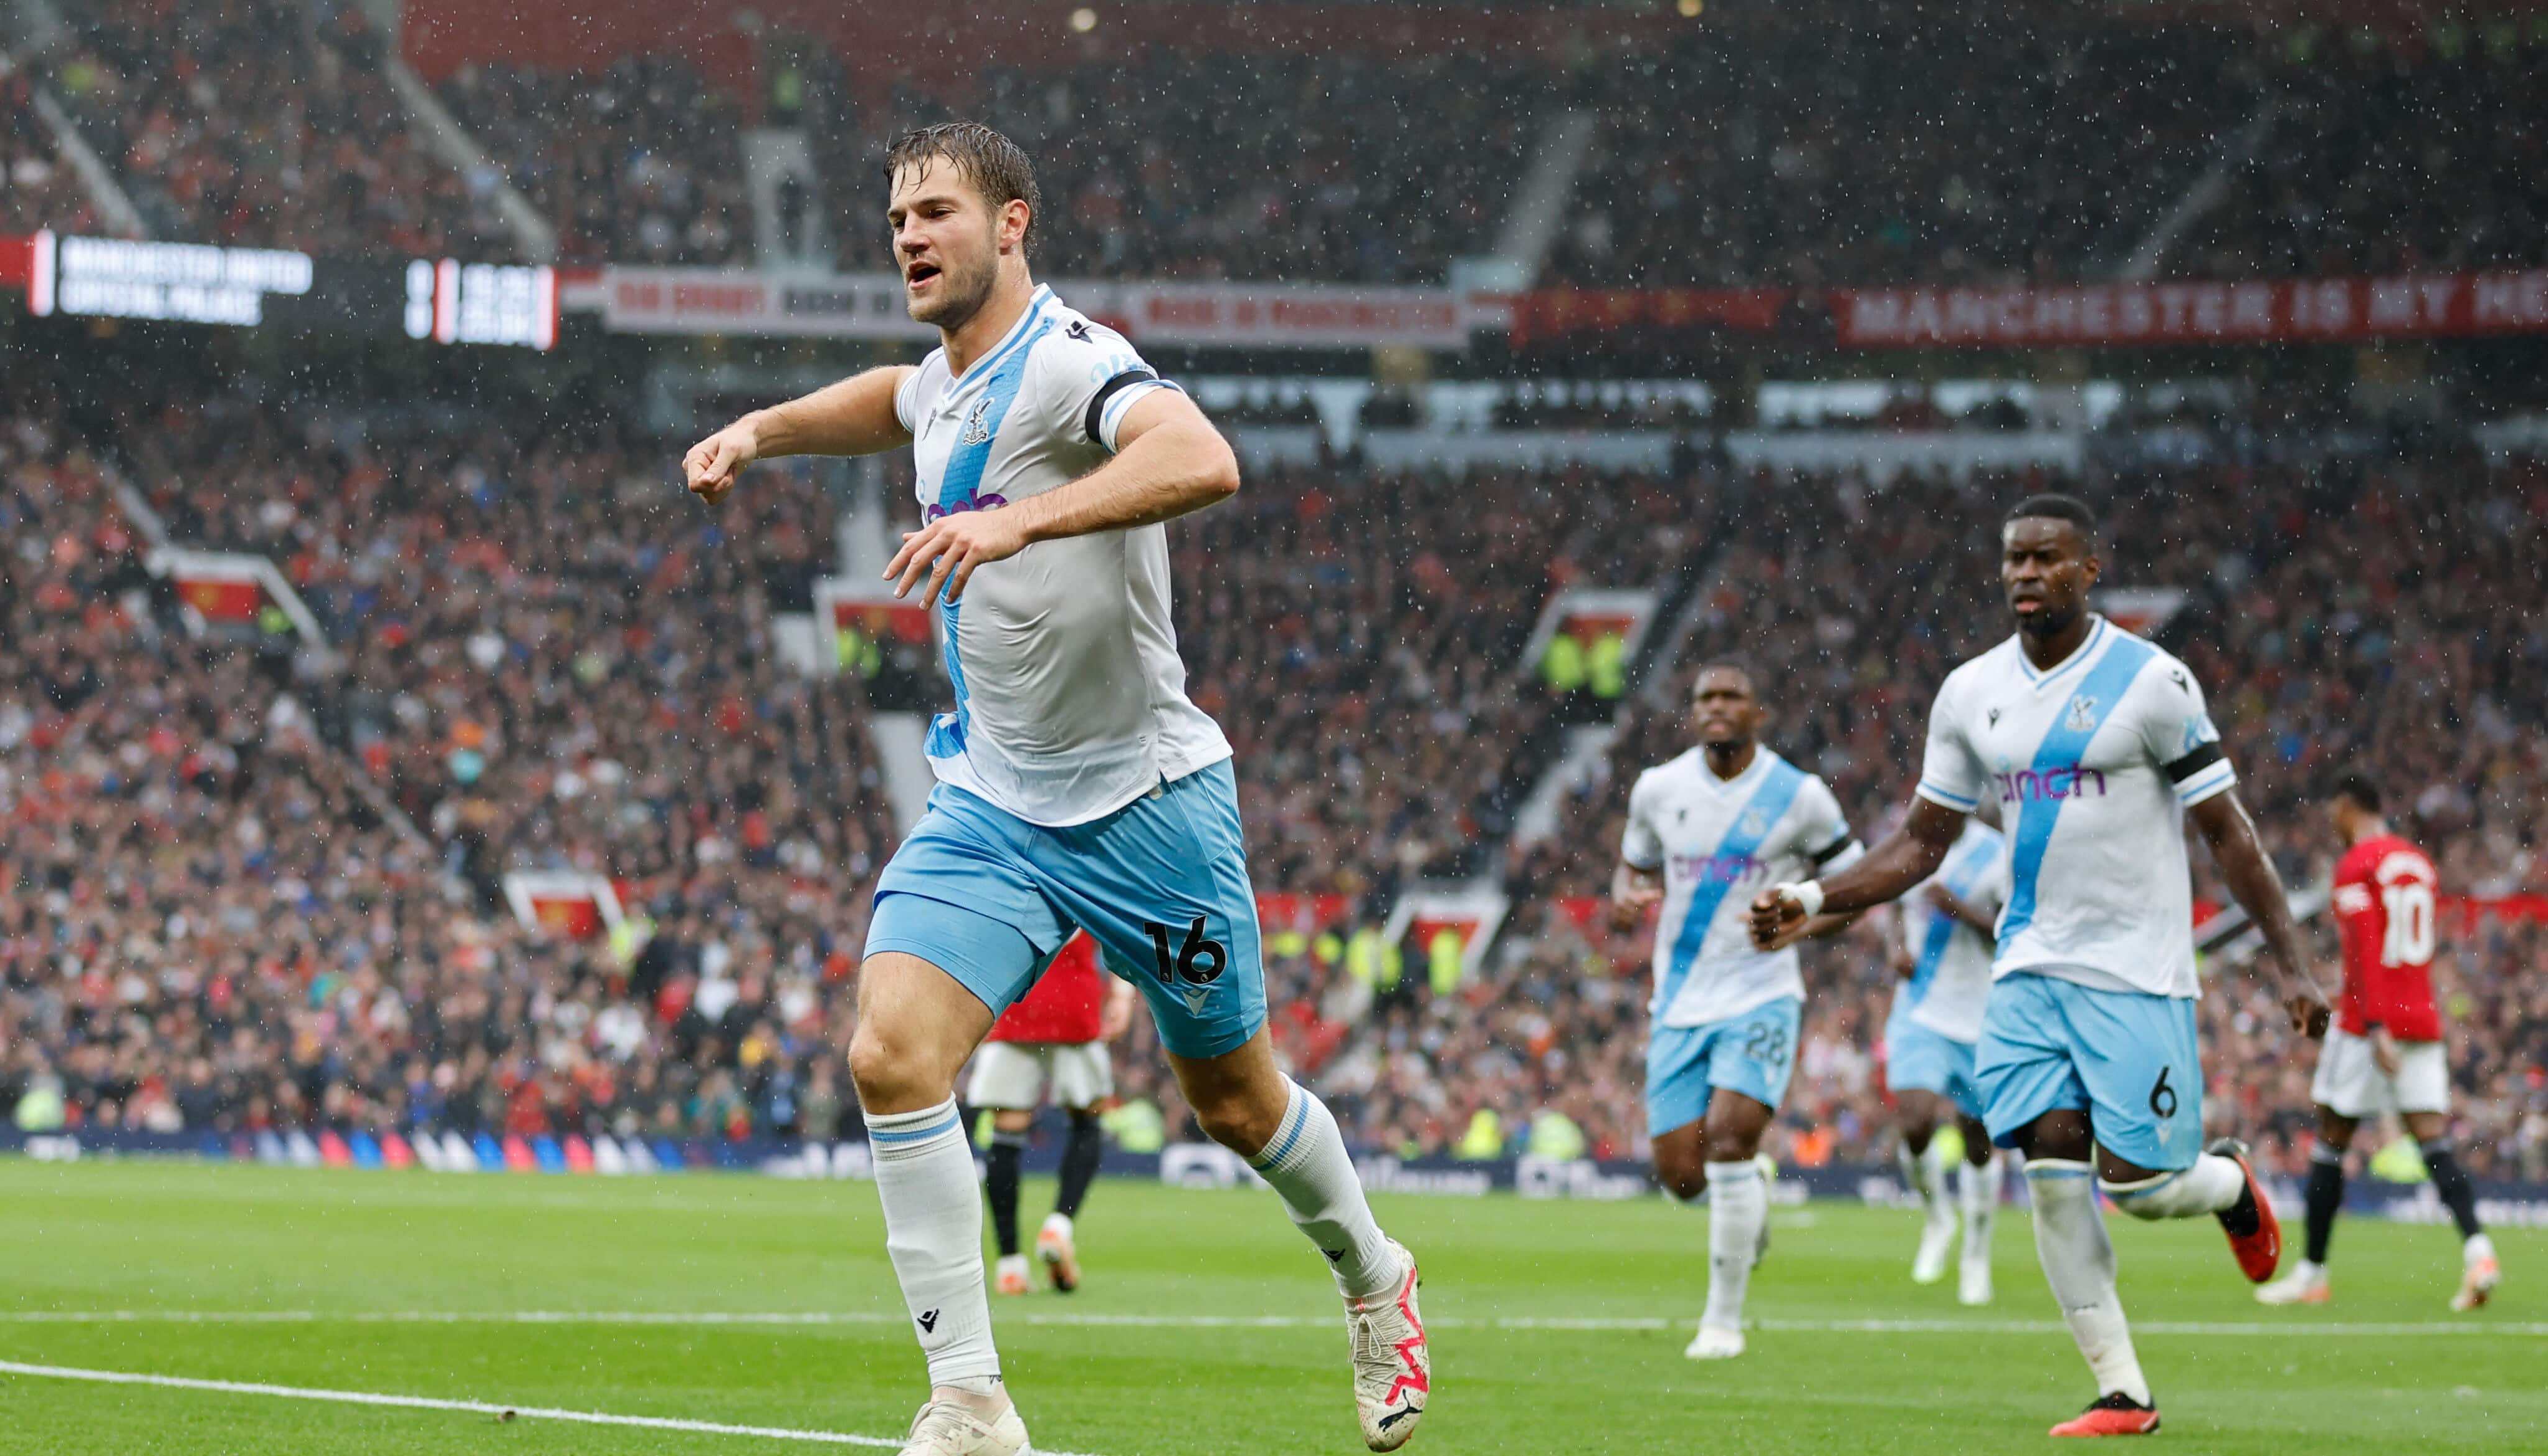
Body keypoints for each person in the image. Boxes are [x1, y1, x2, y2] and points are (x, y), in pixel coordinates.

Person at [684, 122, 1428, 1456]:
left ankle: (1375, 1276)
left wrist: (1018, 517)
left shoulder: (1070, 363)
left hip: (1147, 800)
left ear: (1012, 223)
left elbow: (1201, 455)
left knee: (1237, 1103)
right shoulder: (946, 385)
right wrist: (760, 428)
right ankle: (968, 1398)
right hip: (992, 805)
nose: (908, 235)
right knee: (891, 1051)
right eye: (896, 215)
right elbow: (890, 398)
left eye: (937, 212)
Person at [1749, 493, 2331, 1438]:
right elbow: (1918, 846)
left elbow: (2228, 832)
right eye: (2014, 560)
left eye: (2046, 559)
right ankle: (2122, 1391)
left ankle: (2226, 1184)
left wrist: (2294, 967)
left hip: (2134, 969)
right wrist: (1813, 900)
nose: (2026, 575)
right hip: (2025, 971)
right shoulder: (1970, 692)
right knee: (2050, 1167)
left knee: (2141, 1189)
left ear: (2087, 570)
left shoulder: (2152, 682)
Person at [1607, 662, 1866, 1361]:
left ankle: (1721, 1321)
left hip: (1761, 991)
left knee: (1727, 1136)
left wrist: (1800, 925)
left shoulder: (1798, 796)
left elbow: (1854, 888)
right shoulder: (1659, 790)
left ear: (1758, 713)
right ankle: (1749, 1191)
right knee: (1681, 1175)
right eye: (1704, 697)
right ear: (1692, 712)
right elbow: (1629, 869)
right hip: (1680, 999)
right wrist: (1626, 894)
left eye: (1730, 696)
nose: (1716, 707)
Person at [2256, 774, 2500, 1311]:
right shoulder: (2419, 863)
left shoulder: (2357, 864)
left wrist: (2375, 1025)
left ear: (2348, 806)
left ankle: (2313, 1272)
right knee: (2432, 1140)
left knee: (2330, 1136)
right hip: (2422, 1014)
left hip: (2372, 1018)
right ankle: (2480, 1251)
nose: (2331, 822)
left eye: (2332, 811)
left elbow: (2365, 949)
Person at [1885, 812, 2010, 1305]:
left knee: (1977, 1139)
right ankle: (1938, 1217)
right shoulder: (1908, 842)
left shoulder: (1997, 853)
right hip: (1920, 1010)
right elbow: (1894, 907)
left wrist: (1961, 911)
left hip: (1979, 1016)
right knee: (1914, 1120)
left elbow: (2011, 932)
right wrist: (1897, 948)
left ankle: (1976, 1254)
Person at [968, 930, 1134, 1296]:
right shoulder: (1089, 871)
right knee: (1088, 1120)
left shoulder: (1009, 870)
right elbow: (1117, 927)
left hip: (1016, 1003)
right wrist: (1123, 995)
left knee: (1006, 1134)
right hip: (1075, 1006)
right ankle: (1059, 1227)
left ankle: (1010, 1263)